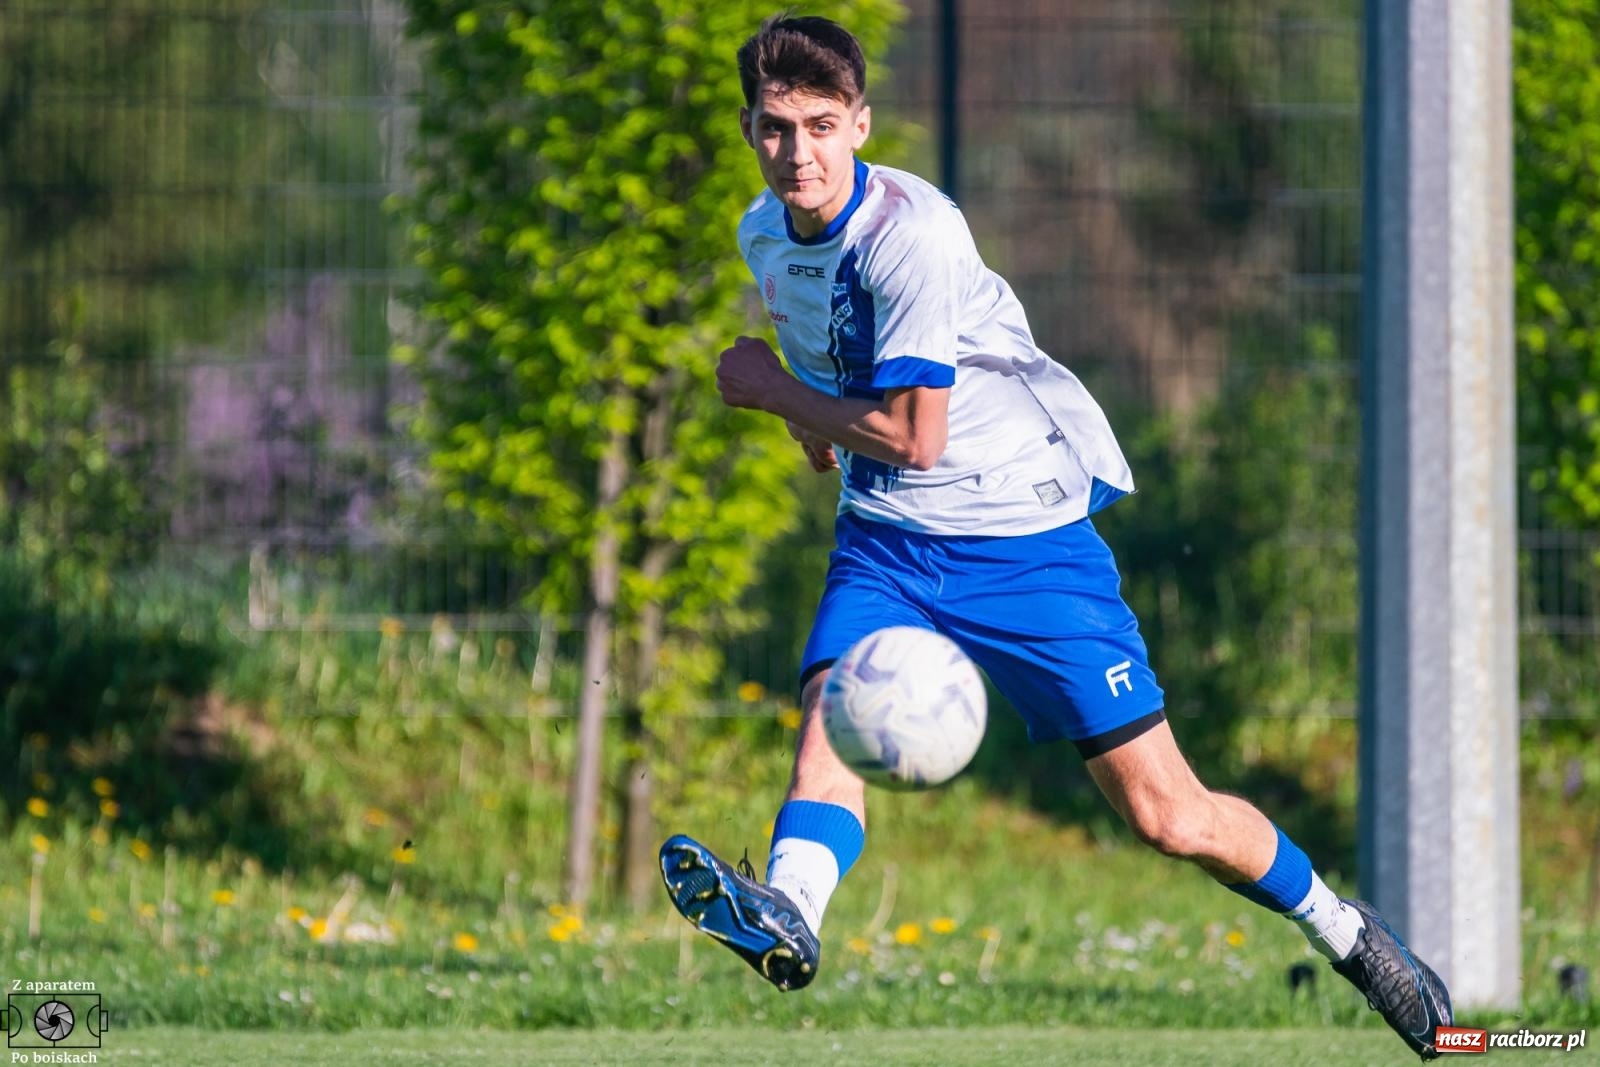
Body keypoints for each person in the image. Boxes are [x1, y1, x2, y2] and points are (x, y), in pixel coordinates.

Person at [659, 14, 1453, 1061]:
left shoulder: (913, 234)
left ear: (860, 124)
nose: (795, 151)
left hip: (1022, 536)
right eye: (773, 127)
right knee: (831, 718)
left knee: (1168, 815)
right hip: (888, 539)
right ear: (748, 130)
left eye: (818, 125)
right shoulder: (763, 232)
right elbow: (832, 359)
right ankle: (792, 913)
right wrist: (809, 416)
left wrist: (775, 393)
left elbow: (916, 437)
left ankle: (1347, 934)